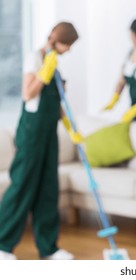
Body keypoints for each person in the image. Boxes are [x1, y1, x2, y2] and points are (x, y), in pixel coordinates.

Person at [0, 22, 81, 260]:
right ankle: (3, 245)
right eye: (68, 45)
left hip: (49, 132)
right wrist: (44, 73)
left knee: (48, 189)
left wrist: (70, 128)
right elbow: (27, 93)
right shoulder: (34, 57)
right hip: (32, 131)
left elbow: (58, 103)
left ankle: (49, 248)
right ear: (59, 40)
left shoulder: (55, 65)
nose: (69, 50)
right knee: (22, 184)